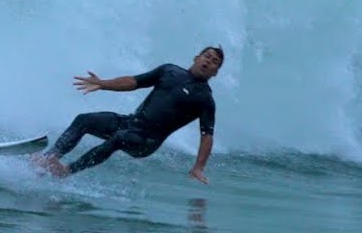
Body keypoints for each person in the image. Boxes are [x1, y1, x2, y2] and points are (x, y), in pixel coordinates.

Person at [33, 46, 223, 183]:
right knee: (84, 120)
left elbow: (207, 135)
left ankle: (67, 171)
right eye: (207, 56)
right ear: (196, 57)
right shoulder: (169, 70)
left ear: (215, 73)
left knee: (119, 138)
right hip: (130, 123)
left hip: (147, 141)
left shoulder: (204, 99)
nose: (209, 61)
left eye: (215, 62)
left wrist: (199, 167)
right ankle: (48, 159)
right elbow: (134, 81)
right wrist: (103, 84)